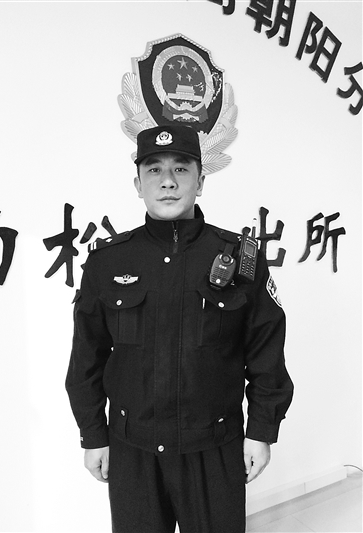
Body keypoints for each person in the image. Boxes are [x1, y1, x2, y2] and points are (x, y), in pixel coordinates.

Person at [66, 124, 294, 533]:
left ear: (200, 182)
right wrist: (93, 434)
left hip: (214, 447)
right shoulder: (107, 262)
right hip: (133, 450)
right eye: (154, 169)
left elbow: (266, 353)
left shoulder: (241, 260)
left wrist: (261, 431)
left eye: (181, 168)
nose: (168, 181)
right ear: (138, 184)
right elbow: (86, 357)